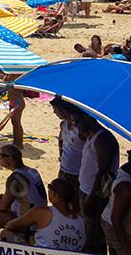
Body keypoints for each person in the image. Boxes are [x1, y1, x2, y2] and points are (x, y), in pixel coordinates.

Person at [0, 144, 46, 238]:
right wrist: (0, 197)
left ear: (10, 159)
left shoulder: (14, 179)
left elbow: (3, 207)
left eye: (0, 156)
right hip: (37, 216)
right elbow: (26, 194)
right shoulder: (32, 171)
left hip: (26, 223)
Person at [73, 106, 119, 252]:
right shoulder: (92, 135)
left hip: (95, 193)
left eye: (77, 122)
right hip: (85, 189)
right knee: (87, 229)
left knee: (94, 234)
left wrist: (92, 197)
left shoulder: (102, 139)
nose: (75, 125)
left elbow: (102, 172)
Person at [2, 178, 84, 251]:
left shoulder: (42, 212)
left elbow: (12, 225)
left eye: (49, 188)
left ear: (54, 194)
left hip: (42, 252)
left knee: (5, 232)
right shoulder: (80, 219)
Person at [52, 98, 84, 206]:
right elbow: (61, 140)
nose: (54, 112)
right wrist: (61, 155)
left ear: (63, 111)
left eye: (55, 110)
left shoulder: (80, 129)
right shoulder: (63, 125)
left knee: (74, 201)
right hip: (64, 168)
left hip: (77, 172)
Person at [103, 149, 131, 255]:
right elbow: (115, 219)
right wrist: (126, 249)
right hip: (118, 229)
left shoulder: (126, 170)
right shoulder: (125, 187)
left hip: (113, 222)